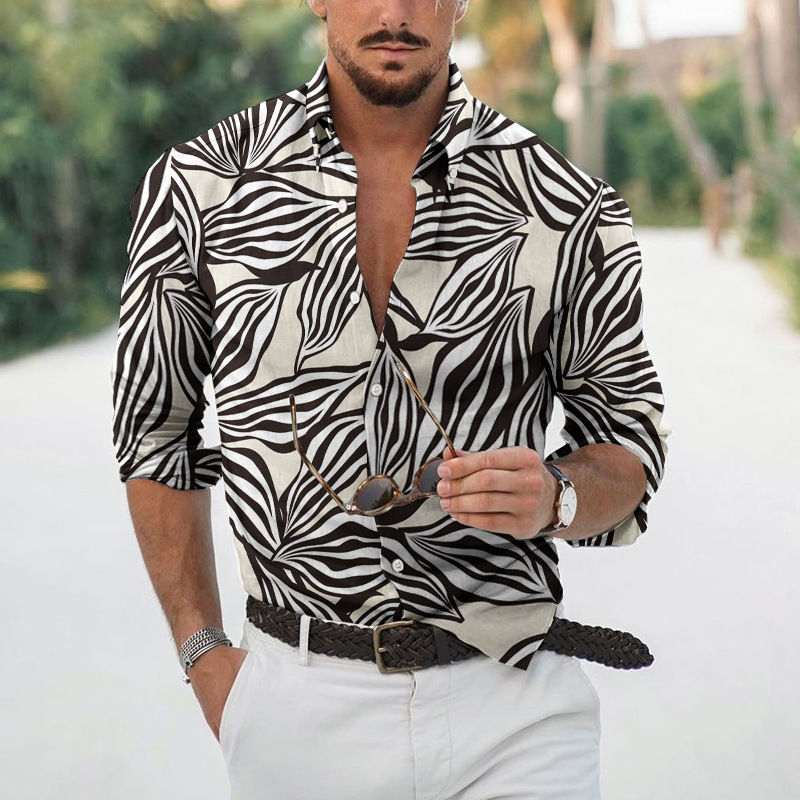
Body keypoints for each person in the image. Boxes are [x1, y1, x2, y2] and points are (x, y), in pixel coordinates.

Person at [110, 1, 672, 797]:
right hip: (298, 711)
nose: (395, 13)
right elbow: (154, 431)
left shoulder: (567, 206)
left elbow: (627, 448)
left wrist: (559, 496)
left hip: (515, 709)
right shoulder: (201, 187)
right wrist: (204, 655)